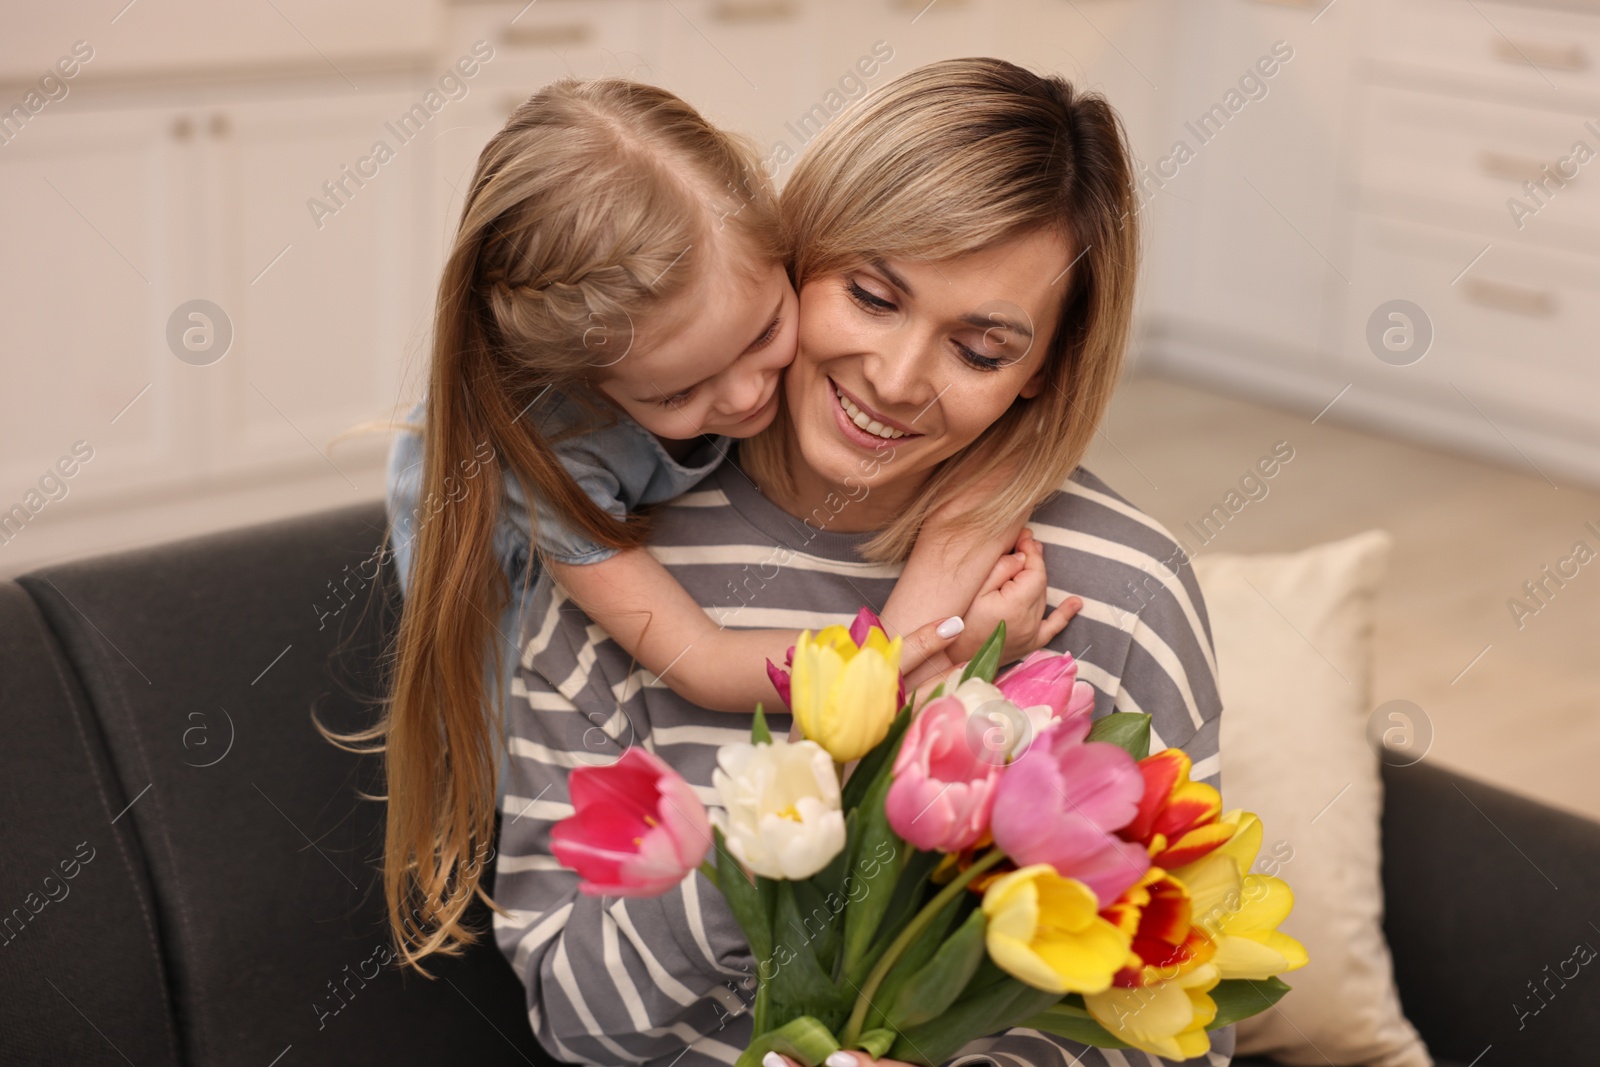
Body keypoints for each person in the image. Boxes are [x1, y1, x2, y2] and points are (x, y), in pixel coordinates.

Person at [490, 59, 1234, 1067]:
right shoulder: (617, 562)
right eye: (873, 295)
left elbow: (1179, 1029)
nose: (894, 380)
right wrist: (805, 792)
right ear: (793, 253)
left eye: (979, 351)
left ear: (1042, 372)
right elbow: (582, 1022)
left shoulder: (1116, 590)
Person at [367, 77, 1079, 975]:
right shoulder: (557, 452)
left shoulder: (724, 278)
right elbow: (700, 663)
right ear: (595, 385)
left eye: (763, 333)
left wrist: (965, 516)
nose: (747, 397)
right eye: (677, 393)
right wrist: (913, 640)